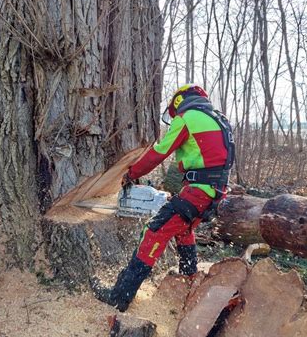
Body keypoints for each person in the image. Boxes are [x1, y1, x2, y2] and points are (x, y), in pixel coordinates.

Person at [92, 83, 234, 312]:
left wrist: (131, 173)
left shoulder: (187, 117)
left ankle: (120, 296)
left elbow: (160, 152)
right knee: (184, 230)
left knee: (154, 231)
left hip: (199, 191)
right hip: (215, 192)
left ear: (179, 102)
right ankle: (189, 281)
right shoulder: (218, 118)